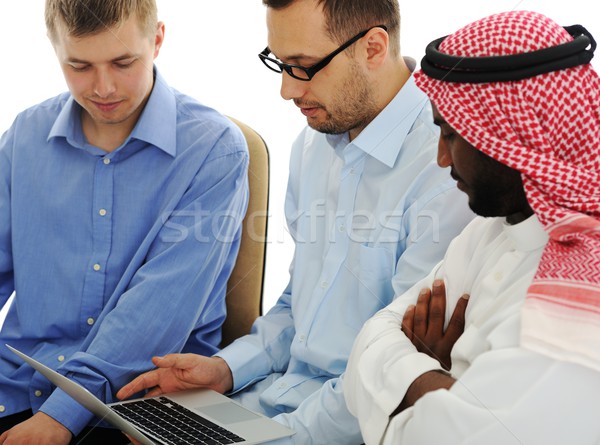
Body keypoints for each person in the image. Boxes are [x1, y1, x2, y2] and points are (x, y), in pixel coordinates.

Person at [118, 0, 474, 443]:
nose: (286, 90)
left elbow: (393, 370)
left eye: (303, 66)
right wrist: (226, 370)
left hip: (344, 426)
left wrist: (267, 437)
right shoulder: (314, 143)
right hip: (271, 400)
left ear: (374, 48)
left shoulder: (450, 171)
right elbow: (300, 306)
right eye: (279, 64)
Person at [344, 10, 600, 444]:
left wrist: (415, 380)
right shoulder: (494, 229)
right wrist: (442, 383)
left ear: (513, 134)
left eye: (451, 136)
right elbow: (369, 339)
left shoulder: (578, 289)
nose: (442, 160)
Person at [0, 0, 249, 443]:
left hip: (139, 405)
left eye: (123, 62)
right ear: (55, 49)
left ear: (157, 40)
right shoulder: (24, 136)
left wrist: (62, 414)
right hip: (17, 389)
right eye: (79, 65)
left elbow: (156, 310)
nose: (104, 87)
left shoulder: (214, 149)